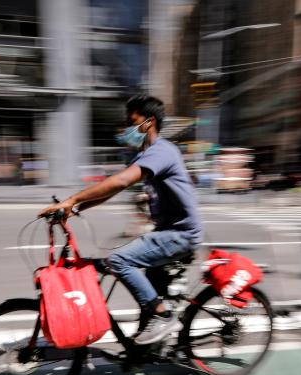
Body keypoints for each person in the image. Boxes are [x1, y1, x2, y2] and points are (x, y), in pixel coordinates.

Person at [39, 95, 203, 345]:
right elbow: (112, 190)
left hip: (179, 235)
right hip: (167, 232)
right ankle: (146, 346)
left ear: (148, 123)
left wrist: (71, 200)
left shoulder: (162, 151)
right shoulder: (147, 156)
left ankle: (164, 316)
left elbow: (121, 181)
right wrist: (75, 208)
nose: (125, 127)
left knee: (118, 260)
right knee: (145, 288)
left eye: (130, 120)